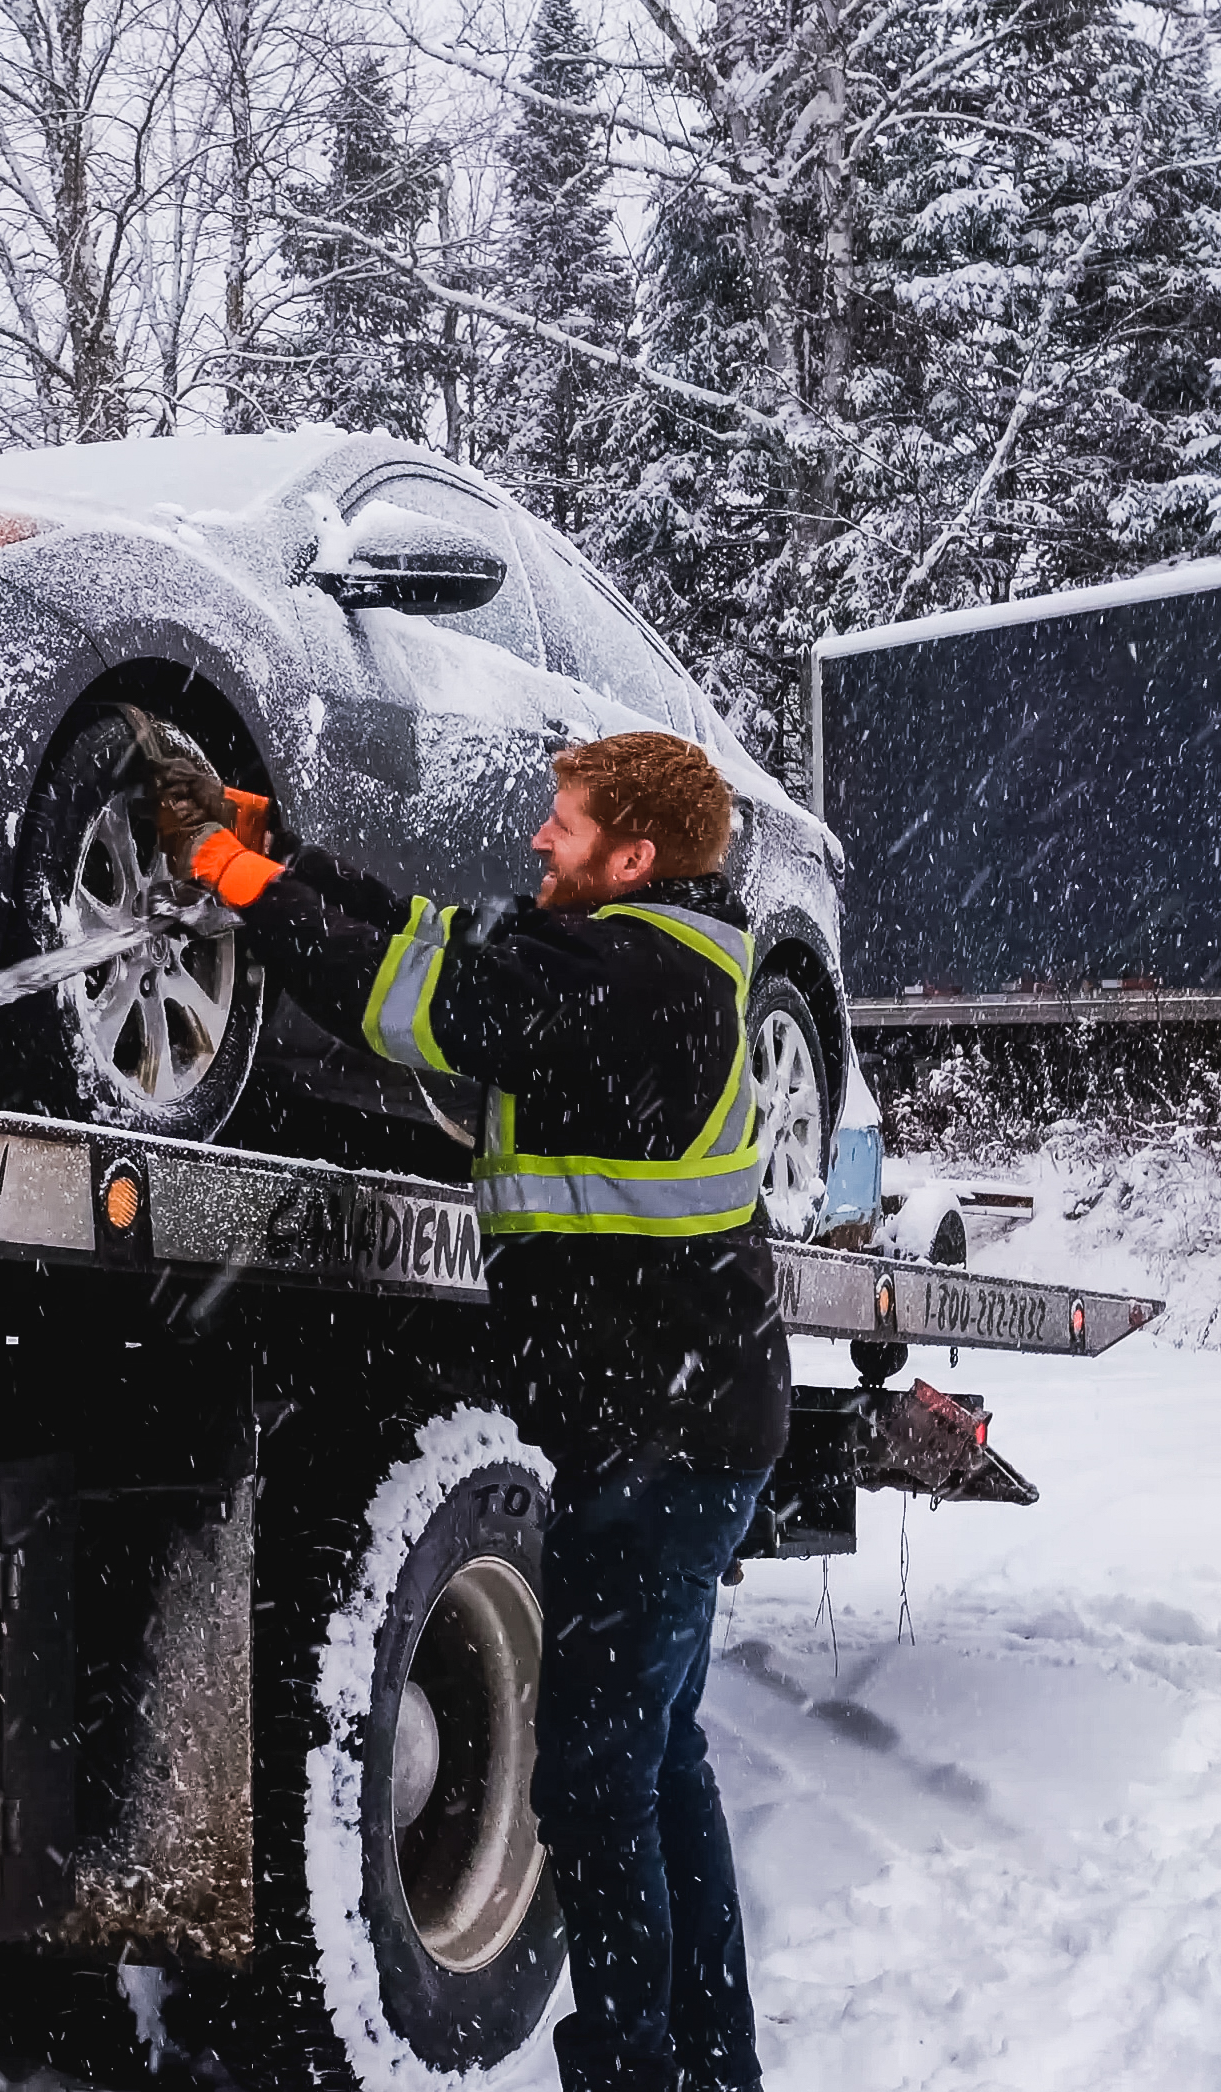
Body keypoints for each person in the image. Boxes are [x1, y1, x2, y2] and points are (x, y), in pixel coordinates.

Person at [141, 717, 789, 2092]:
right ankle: (709, 2067)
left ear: (634, 851)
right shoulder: (643, 952)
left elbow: (427, 1002)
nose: (539, 839)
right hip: (676, 1429)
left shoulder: (637, 974)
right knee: (658, 1768)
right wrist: (283, 852)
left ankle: (640, 2072)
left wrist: (246, 890)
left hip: (658, 1447)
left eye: (565, 823)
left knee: (597, 1791)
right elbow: (452, 943)